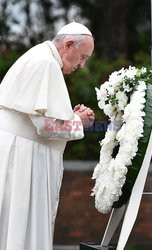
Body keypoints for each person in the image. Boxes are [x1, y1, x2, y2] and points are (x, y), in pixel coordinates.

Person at [0, 21, 95, 250]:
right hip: (22, 159)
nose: (82, 64)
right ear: (69, 45)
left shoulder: (40, 56)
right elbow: (46, 126)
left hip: (18, 152)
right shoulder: (46, 63)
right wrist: (78, 122)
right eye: (83, 57)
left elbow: (37, 114)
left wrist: (67, 115)